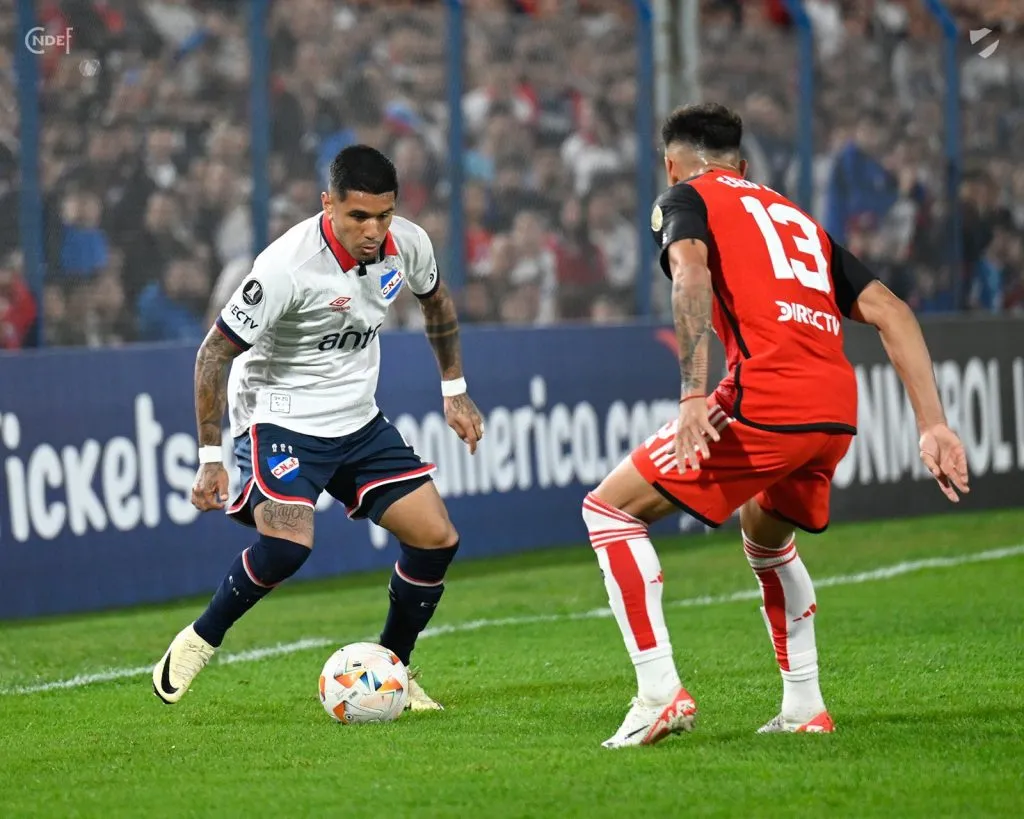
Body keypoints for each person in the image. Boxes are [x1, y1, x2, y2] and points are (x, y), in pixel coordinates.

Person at [582, 103, 970, 748]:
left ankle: (658, 693)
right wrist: (933, 424)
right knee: (765, 539)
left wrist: (691, 394)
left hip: (767, 397)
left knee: (609, 512)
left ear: (672, 162)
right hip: (834, 410)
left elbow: (690, 272)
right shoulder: (797, 218)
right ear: (744, 163)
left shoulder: (684, 197)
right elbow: (893, 311)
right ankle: (804, 707)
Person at [152, 145, 484, 710]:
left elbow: (437, 302)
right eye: (359, 217)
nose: (374, 231)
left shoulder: (408, 243)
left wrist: (455, 391)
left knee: (436, 537)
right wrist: (212, 456)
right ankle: (198, 640)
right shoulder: (287, 268)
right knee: (288, 544)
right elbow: (212, 356)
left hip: (357, 419)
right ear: (328, 204)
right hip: (280, 418)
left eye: (384, 215)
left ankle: (393, 671)